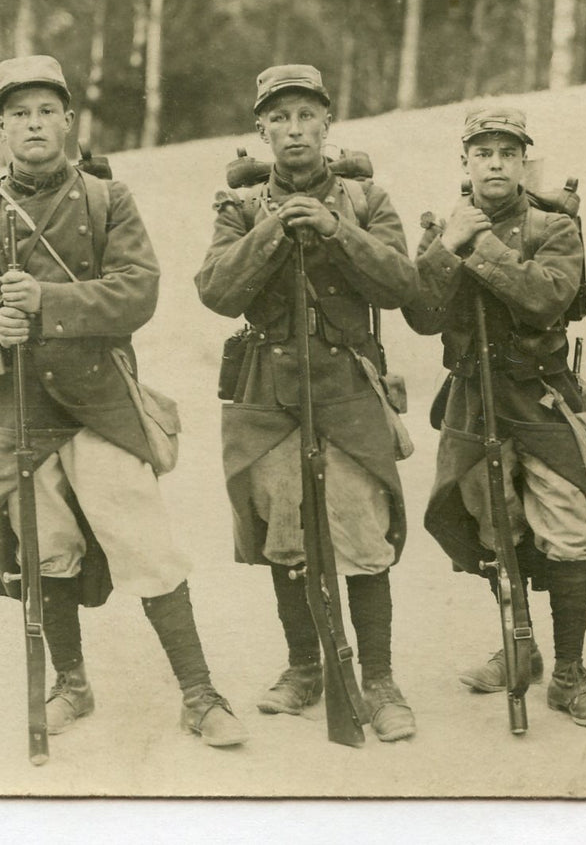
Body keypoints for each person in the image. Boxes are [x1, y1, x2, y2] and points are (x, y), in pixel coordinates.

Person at [0, 55, 247, 748]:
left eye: (46, 110)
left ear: (69, 120)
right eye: (19, 113)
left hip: (101, 400)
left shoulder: (108, 200)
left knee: (149, 547)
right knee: (44, 554)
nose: (34, 124)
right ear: (0, 126)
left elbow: (138, 291)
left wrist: (46, 304)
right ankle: (72, 683)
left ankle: (199, 694)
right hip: (22, 410)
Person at [194, 64, 418, 742]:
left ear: (327, 125)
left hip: (345, 388)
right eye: (279, 118)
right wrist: (271, 231)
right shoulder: (238, 206)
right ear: (261, 130)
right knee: (285, 534)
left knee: (361, 532)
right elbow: (215, 289)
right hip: (266, 393)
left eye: (306, 116)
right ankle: (303, 665)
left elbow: (401, 282)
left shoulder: (365, 198)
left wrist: (332, 228)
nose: (294, 129)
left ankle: (376, 677)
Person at [404, 108, 586, 729]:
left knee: (566, 527)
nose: (494, 163)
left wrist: (481, 246)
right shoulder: (440, 229)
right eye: (482, 152)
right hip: (474, 399)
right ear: (464, 163)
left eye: (507, 152)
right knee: (494, 526)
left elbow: (546, 297)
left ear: (525, 161)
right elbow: (419, 312)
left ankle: (572, 674)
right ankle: (520, 646)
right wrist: (448, 244)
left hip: (539, 397)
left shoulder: (555, 226)